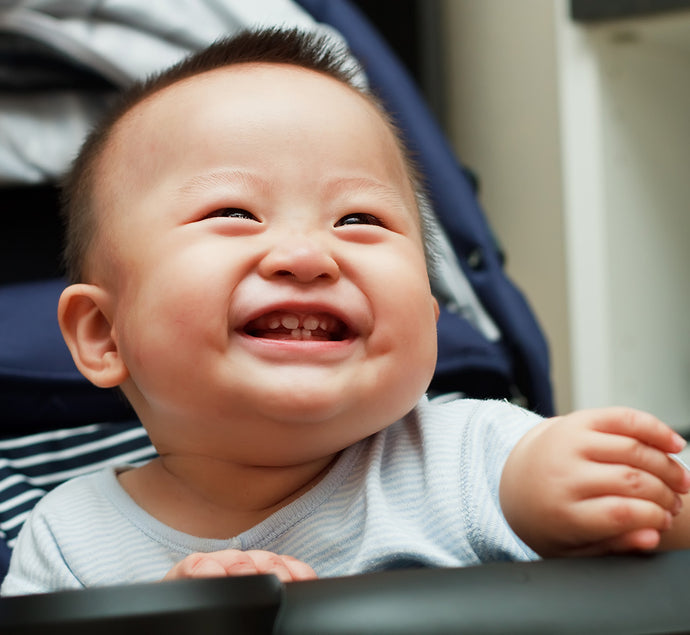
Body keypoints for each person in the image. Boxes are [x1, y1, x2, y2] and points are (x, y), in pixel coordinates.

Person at [3, 27, 690, 596]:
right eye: (234, 212)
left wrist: (625, 492)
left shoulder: (472, 461)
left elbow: (653, 513)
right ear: (101, 335)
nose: (307, 255)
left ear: (427, 317)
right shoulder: (70, 541)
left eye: (358, 218)